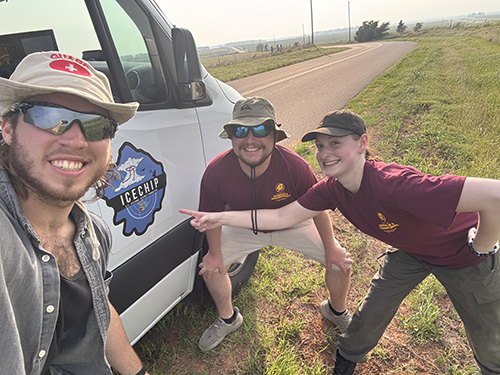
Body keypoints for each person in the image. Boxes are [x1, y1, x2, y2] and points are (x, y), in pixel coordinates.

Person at [181, 109, 500, 375]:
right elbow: (280, 218)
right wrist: (220, 218)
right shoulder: (332, 189)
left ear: (362, 143)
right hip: (412, 254)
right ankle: (346, 360)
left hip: (464, 258)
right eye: (320, 146)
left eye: (335, 143)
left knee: (489, 336)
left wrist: (481, 246)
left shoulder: (395, 185)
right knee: (369, 314)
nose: (325, 153)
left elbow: (495, 196)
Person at [0, 51, 150, 375]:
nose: (76, 139)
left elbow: (101, 310)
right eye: (50, 115)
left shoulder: (93, 233)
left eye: (97, 125)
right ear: (7, 127)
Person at [194, 97, 353, 351]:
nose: (250, 140)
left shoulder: (295, 166)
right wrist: (214, 255)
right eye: (240, 131)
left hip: (293, 224)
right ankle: (228, 319)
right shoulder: (216, 171)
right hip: (243, 226)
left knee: (340, 262)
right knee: (210, 267)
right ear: (230, 136)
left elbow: (318, 209)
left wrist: (331, 247)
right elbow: (211, 218)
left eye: (260, 130)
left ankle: (336, 310)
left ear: (275, 135)